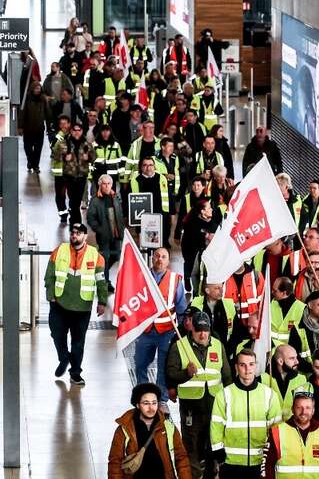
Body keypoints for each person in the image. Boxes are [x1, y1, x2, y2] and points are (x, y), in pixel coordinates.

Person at [165, 312, 230, 479]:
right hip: (191, 408)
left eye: (206, 330)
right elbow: (170, 374)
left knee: (213, 443)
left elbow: (227, 375)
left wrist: (231, 401)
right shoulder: (179, 346)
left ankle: (210, 473)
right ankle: (193, 475)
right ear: (191, 328)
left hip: (214, 406)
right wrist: (186, 374)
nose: (203, 334)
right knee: (191, 445)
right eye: (199, 330)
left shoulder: (217, 345)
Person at [45, 223, 107, 385]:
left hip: (82, 307)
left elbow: (101, 281)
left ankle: (75, 373)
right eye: (72, 233)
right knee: (57, 334)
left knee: (78, 342)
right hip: (59, 303)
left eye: (78, 233)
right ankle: (64, 358)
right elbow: (50, 274)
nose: (74, 236)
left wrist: (102, 301)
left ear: (85, 236)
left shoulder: (95, 256)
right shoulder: (59, 251)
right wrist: (50, 294)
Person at [210, 348, 282, 479]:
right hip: (231, 462)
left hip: (260, 461)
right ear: (236, 367)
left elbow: (276, 428)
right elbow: (216, 425)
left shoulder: (270, 394)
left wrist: (273, 453)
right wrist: (218, 451)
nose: (247, 369)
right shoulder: (224, 394)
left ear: (256, 366)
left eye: (251, 364)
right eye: (242, 365)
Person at [107, 382, 191, 479]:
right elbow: (115, 463)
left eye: (154, 403)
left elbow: (181, 458)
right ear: (137, 405)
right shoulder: (125, 429)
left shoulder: (168, 427)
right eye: (146, 403)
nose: (151, 408)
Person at [134, 248, 187, 398]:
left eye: (164, 257)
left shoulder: (175, 280)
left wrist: (181, 330)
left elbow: (181, 306)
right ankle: (143, 395)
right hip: (145, 331)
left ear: (168, 261)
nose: (160, 259)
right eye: (157, 256)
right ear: (152, 258)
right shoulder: (141, 277)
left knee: (163, 367)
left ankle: (162, 399)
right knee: (140, 364)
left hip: (167, 331)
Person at [262, 391, 319, 479]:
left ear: (313, 410)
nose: (303, 412)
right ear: (292, 409)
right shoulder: (277, 432)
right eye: (299, 407)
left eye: (308, 408)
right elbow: (267, 467)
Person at [86, 175, 125, 289]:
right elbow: (90, 218)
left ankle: (100, 273)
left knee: (116, 255)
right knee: (105, 259)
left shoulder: (115, 197)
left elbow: (120, 214)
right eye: (104, 183)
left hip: (116, 234)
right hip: (104, 236)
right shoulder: (95, 200)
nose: (107, 186)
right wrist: (99, 230)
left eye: (109, 183)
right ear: (100, 185)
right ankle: (105, 283)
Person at [51, 122, 94, 226]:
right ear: (71, 131)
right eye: (74, 130)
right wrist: (64, 157)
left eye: (79, 130)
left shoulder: (87, 144)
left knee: (77, 201)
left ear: (82, 131)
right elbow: (55, 156)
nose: (76, 132)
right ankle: (76, 224)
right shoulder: (63, 144)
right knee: (73, 201)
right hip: (69, 177)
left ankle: (73, 221)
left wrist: (88, 158)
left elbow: (94, 156)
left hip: (82, 177)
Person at [127, 157, 172, 249]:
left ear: (154, 166)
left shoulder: (161, 178)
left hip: (161, 216)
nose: (148, 168)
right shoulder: (135, 180)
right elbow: (129, 200)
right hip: (143, 218)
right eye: (145, 165)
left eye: (151, 165)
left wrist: (170, 213)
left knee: (159, 247)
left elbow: (168, 196)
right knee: (147, 246)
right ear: (141, 167)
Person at [20, 80, 53, 173]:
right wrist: (20, 126)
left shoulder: (43, 99)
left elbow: (48, 114)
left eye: (39, 88)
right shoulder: (26, 99)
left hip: (39, 128)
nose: (38, 90)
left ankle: (36, 165)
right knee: (28, 147)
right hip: (28, 128)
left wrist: (49, 127)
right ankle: (30, 161)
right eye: (36, 88)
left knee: (38, 148)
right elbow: (22, 113)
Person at [271, 276, 306, 348]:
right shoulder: (271, 304)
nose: (272, 292)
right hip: (273, 350)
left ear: (284, 293)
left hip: (291, 351)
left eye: (275, 291)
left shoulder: (302, 308)